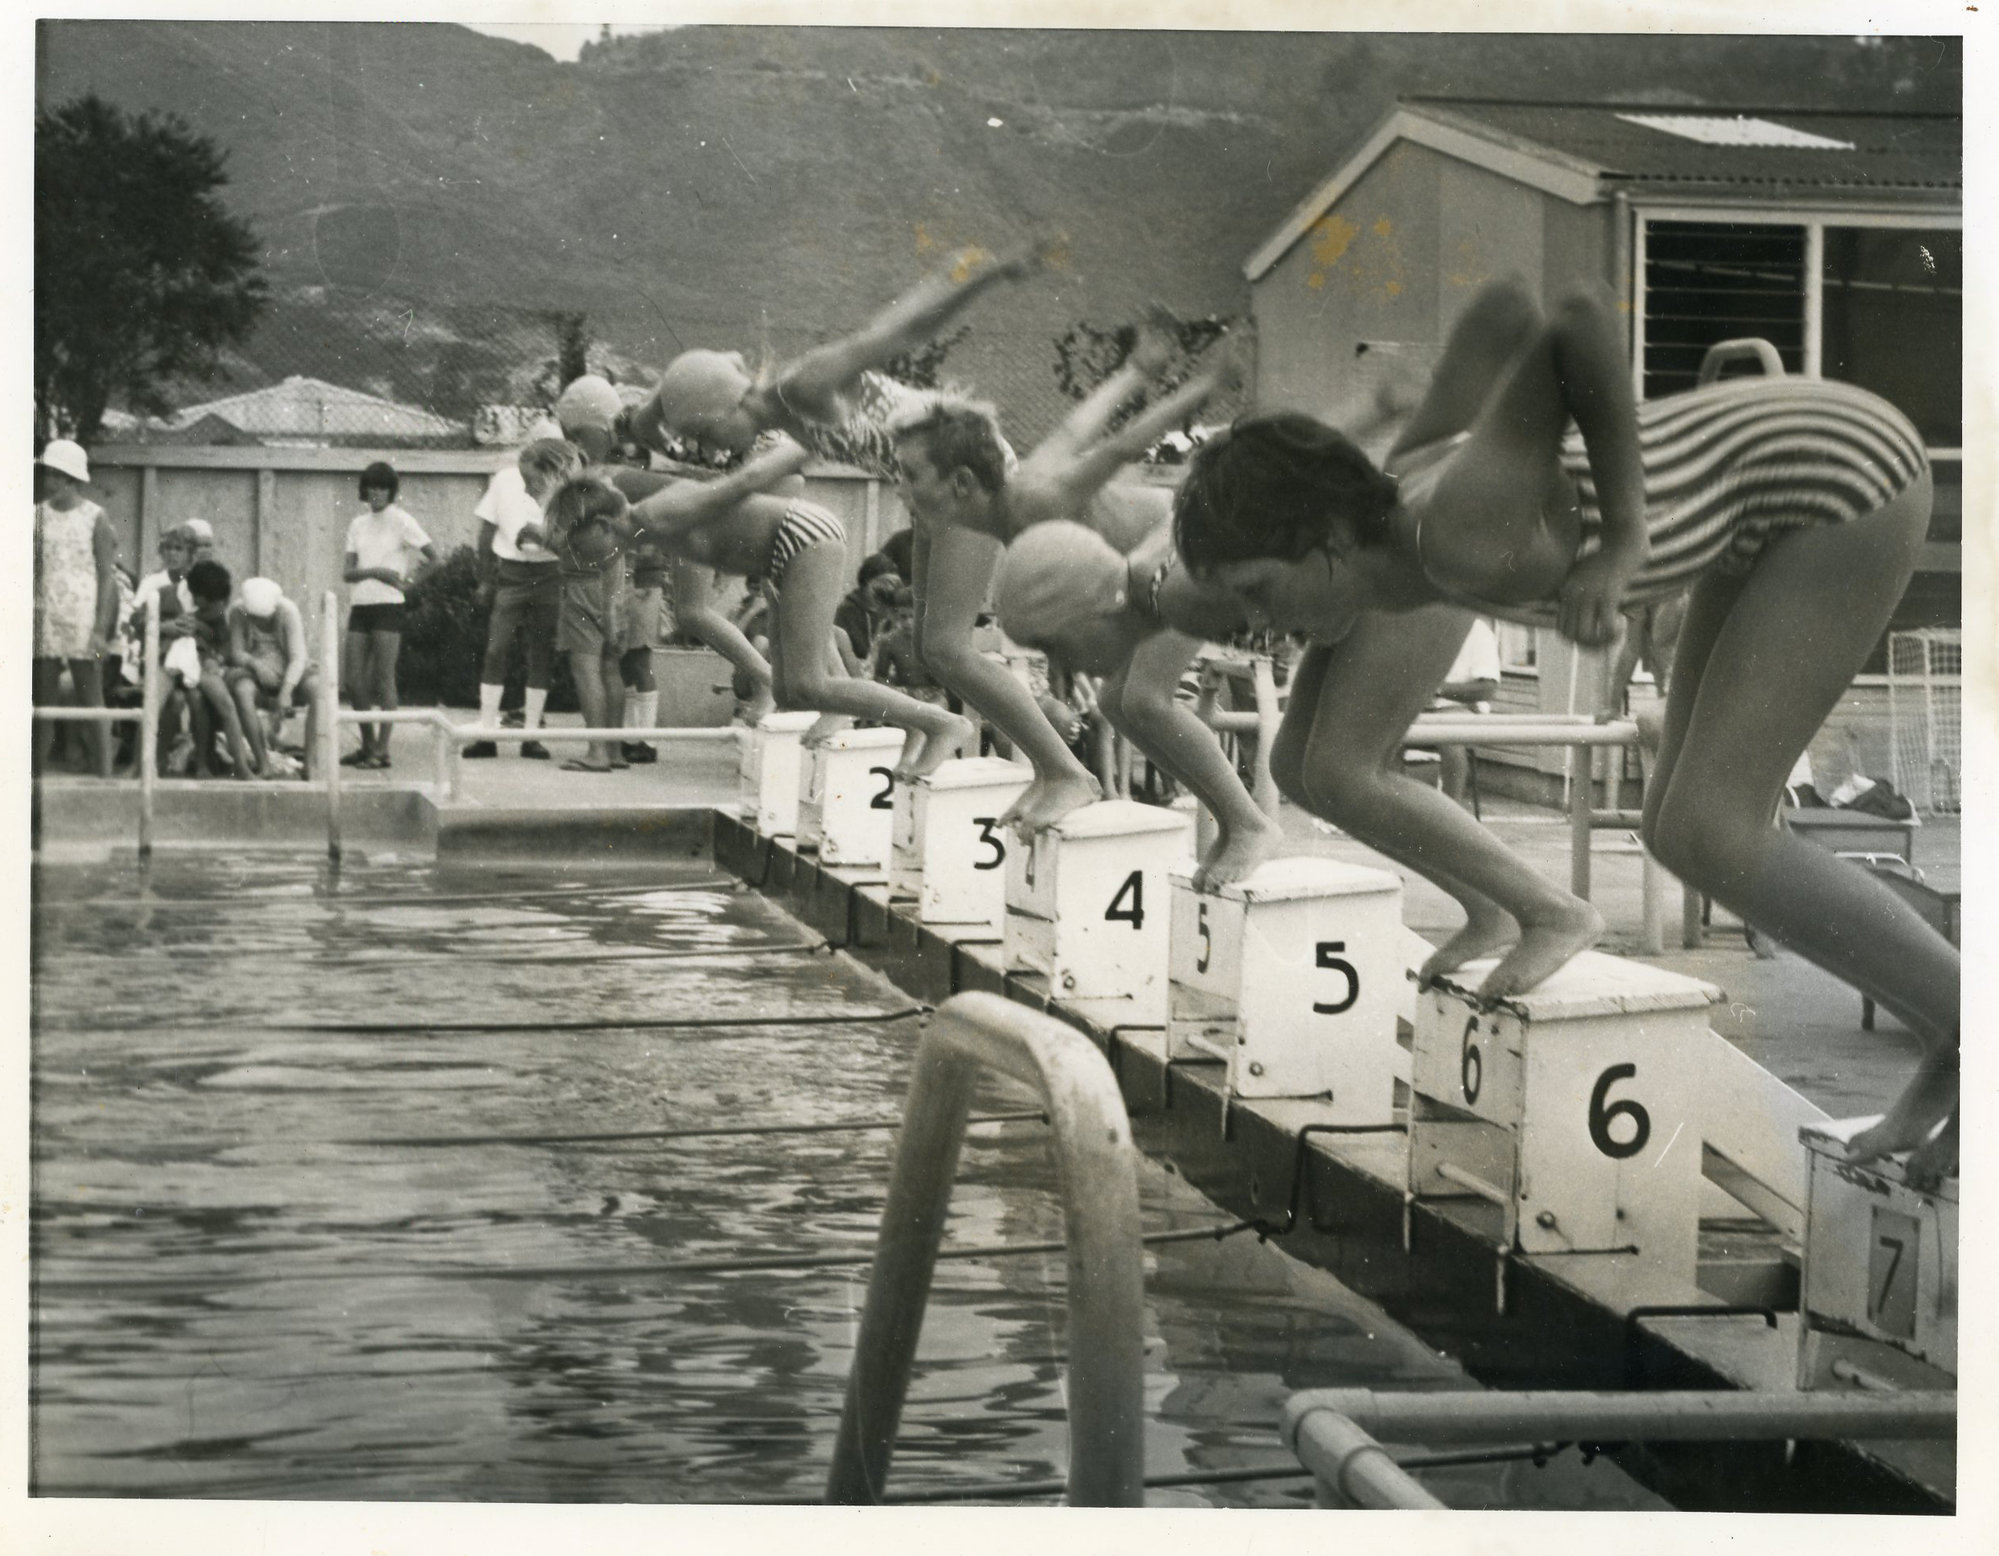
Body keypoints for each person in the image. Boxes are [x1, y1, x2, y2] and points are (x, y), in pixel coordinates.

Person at [1172, 276, 1955, 1185]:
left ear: (1326, 544)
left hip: (1841, 475)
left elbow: (1570, 321)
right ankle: (1951, 1033)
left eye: (1259, 589)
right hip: (1761, 494)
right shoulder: (1410, 496)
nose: (1257, 623)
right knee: (1677, 832)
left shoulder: (1453, 530)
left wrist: (1621, 540)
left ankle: (1970, 1028)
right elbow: (1500, 305)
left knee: (1711, 829)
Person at [888, 316, 1234, 835]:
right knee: (1120, 704)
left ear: (961, 483)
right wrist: (1136, 370)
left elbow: (1117, 449)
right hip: (1154, 555)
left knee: (1141, 700)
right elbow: (1078, 427)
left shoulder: (1035, 501)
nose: (900, 489)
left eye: (911, 477)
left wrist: (1203, 386)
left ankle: (1245, 822)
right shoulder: (1018, 498)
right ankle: (1075, 779)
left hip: (1183, 541)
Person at [549, 437, 975, 778]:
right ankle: (916, 727)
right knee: (791, 690)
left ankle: (939, 722)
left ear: (602, 525)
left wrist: (804, 447)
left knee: (811, 683)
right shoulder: (642, 528)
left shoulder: (660, 511)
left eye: (576, 545)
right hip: (779, 554)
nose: (577, 557)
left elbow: (736, 490)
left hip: (802, 536)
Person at [628, 238, 1053, 470]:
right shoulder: (780, 417)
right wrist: (661, 406)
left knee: (942, 637)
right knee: (927, 634)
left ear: (729, 405)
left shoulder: (803, 387)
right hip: (929, 485)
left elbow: (903, 333)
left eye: (704, 436)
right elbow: (643, 425)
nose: (706, 451)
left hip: (967, 465)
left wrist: (986, 277)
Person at [553, 375, 777, 724]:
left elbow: (618, 543)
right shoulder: (622, 458)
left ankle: (769, 681)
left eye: (578, 436)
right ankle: (772, 680)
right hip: (702, 513)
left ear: (594, 429)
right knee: (697, 613)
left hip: (703, 515)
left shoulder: (610, 470)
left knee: (698, 613)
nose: (576, 446)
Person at [467, 420, 563, 760]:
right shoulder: (505, 479)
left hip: (550, 573)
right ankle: (487, 733)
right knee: (496, 648)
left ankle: (532, 735)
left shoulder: (565, 484)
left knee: (540, 653)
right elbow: (485, 530)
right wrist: (484, 579)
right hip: (511, 572)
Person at [342, 461, 437, 770]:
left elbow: (436, 559)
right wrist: (377, 572)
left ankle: (382, 750)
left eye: (382, 488)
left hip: (388, 607)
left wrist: (409, 586)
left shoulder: (402, 520)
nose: (376, 494)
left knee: (384, 679)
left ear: (391, 491)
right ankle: (367, 744)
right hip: (361, 606)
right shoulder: (357, 524)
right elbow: (348, 573)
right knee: (355, 683)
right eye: (371, 487)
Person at [33, 439, 119, 778]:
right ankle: (35, 780)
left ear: (72, 479)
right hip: (46, 616)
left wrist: (100, 629)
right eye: (47, 474)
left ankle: (105, 776)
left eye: (55, 475)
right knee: (44, 702)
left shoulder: (95, 516)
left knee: (91, 697)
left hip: (85, 619)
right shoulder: (36, 515)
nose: (48, 482)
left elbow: (106, 576)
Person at [225, 576, 322, 778]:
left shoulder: (288, 610)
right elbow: (237, 652)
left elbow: (298, 657)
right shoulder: (237, 611)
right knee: (242, 691)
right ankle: (263, 763)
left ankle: (310, 762)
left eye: (264, 618)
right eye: (254, 617)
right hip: (255, 671)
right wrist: (257, 665)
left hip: (288, 670)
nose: (258, 621)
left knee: (317, 689)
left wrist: (286, 691)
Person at [182, 559, 258, 780]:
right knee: (223, 702)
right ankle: (238, 765)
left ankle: (205, 762)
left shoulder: (215, 609)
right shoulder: (187, 604)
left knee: (198, 699)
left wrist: (217, 657)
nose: (220, 609)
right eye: (214, 604)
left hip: (203, 666)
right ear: (197, 597)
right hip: (184, 663)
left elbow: (224, 642)